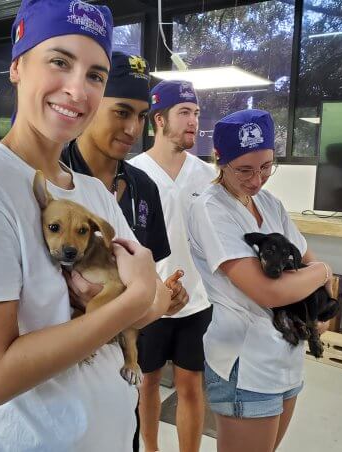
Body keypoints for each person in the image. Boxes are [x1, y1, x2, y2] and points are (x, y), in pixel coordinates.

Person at [0, 2, 171, 450]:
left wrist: (140, 298)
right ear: (17, 65)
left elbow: (159, 299)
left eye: (95, 75)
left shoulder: (93, 194)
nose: (78, 90)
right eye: (59, 61)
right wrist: (129, 297)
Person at [60, 51, 189, 451]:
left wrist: (165, 296)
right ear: (91, 102)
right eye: (121, 112)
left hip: (125, 359)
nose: (133, 128)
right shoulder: (53, 180)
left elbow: (147, 275)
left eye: (140, 115)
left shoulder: (142, 187)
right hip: (64, 363)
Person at [187, 109, 332, 452]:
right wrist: (323, 272)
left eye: (266, 166)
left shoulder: (269, 203)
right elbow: (269, 291)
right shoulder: (212, 209)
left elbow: (308, 261)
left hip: (286, 354)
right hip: (246, 363)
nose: (257, 180)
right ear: (220, 161)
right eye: (245, 170)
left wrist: (318, 301)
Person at [129, 80, 214, 452]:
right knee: (146, 384)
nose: (193, 121)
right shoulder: (132, 174)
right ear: (158, 119)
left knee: (191, 385)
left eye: (196, 113)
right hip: (147, 303)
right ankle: (150, 449)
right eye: (184, 112)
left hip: (197, 301)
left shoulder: (208, 175)